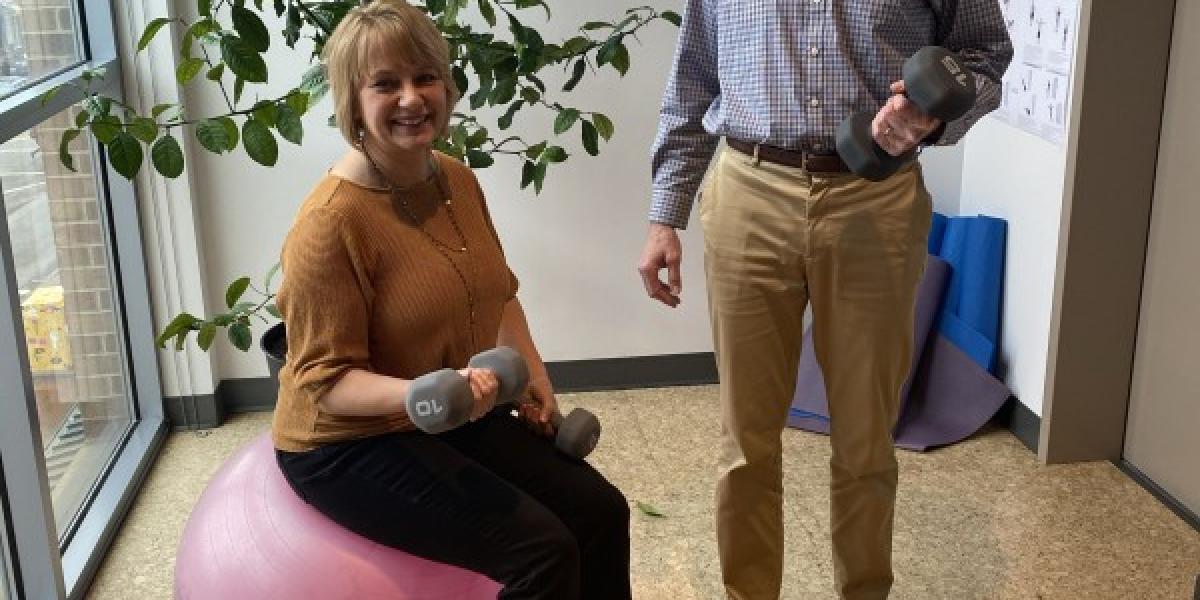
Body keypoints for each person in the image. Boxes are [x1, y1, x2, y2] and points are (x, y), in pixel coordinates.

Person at [638, 2, 1012, 599]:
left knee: (866, 437)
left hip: (875, 197)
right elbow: (692, 81)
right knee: (745, 439)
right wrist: (666, 214)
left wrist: (929, 118)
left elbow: (986, 56)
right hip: (749, 188)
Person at [270, 2, 631, 598]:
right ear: (352, 102)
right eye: (385, 84)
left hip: (447, 409)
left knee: (600, 510)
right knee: (542, 552)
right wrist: (420, 394)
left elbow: (500, 294)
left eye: (425, 77)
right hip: (347, 444)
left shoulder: (455, 179)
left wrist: (534, 374)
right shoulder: (330, 224)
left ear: (447, 85)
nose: (412, 98)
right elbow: (320, 379)